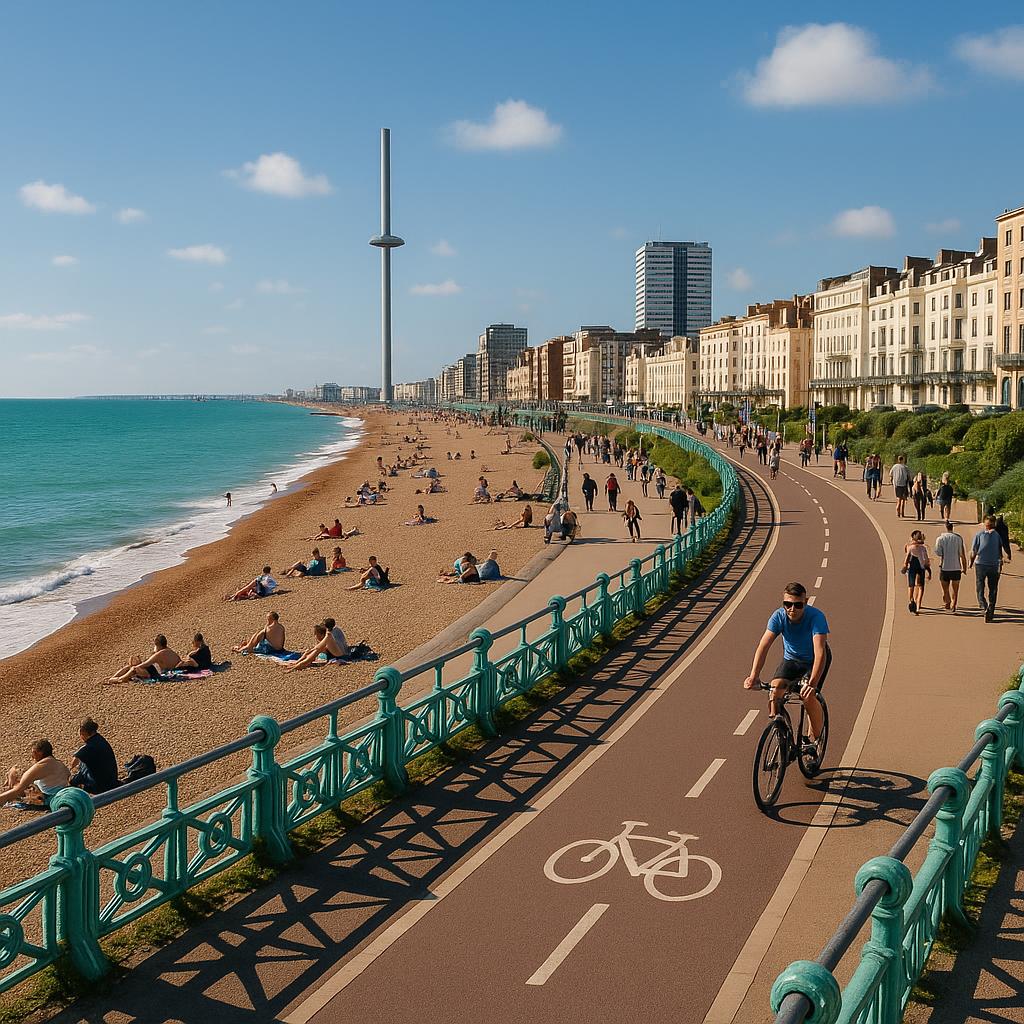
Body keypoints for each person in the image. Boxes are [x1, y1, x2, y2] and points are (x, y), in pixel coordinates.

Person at [743, 583, 830, 748]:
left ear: (806, 602)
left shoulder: (816, 617)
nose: (792, 609)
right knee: (774, 690)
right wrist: (754, 675)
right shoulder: (778, 617)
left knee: (807, 696)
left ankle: (816, 740)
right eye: (788, 604)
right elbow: (764, 645)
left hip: (813, 661)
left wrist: (812, 684)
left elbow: (820, 653)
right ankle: (779, 729)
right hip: (791, 659)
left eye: (798, 605)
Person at [1, 740, 70, 809]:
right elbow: (68, 775)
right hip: (63, 791)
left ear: (39, 753)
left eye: (33, 753)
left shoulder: (42, 766)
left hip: (48, 799)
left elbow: (19, 789)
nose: (32, 756)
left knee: (16, 776)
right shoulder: (59, 763)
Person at [969, 515, 1004, 622]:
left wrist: (971, 562)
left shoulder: (979, 535)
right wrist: (1000, 563)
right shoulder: (997, 535)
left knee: (980, 587)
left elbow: (973, 551)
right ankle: (990, 610)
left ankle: (984, 607)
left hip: (981, 564)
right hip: (993, 565)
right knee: (993, 588)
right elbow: (1000, 551)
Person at [69, 719, 118, 795]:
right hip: (111, 779)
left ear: (83, 732)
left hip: (100, 786)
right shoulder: (100, 739)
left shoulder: (89, 748)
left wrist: (68, 770)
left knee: (72, 781)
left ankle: (83, 792)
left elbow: (74, 762)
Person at [107, 635, 181, 684]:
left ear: (157, 645)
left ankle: (119, 679)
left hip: (158, 674)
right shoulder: (171, 651)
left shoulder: (159, 654)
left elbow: (145, 664)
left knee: (133, 668)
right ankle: (112, 677)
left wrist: (135, 666)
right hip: (164, 671)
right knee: (130, 667)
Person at [934, 521, 967, 613]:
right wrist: (964, 567)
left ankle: (947, 601)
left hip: (945, 566)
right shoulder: (958, 538)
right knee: (955, 589)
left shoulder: (940, 538)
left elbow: (938, 552)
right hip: (956, 567)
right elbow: (962, 554)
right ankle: (954, 603)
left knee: (945, 588)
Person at [900, 530, 931, 614]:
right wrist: (928, 569)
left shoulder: (910, 547)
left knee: (911, 585)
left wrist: (905, 566)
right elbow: (926, 560)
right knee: (921, 586)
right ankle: (918, 604)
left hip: (912, 568)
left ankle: (911, 600)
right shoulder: (923, 548)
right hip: (921, 568)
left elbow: (907, 558)